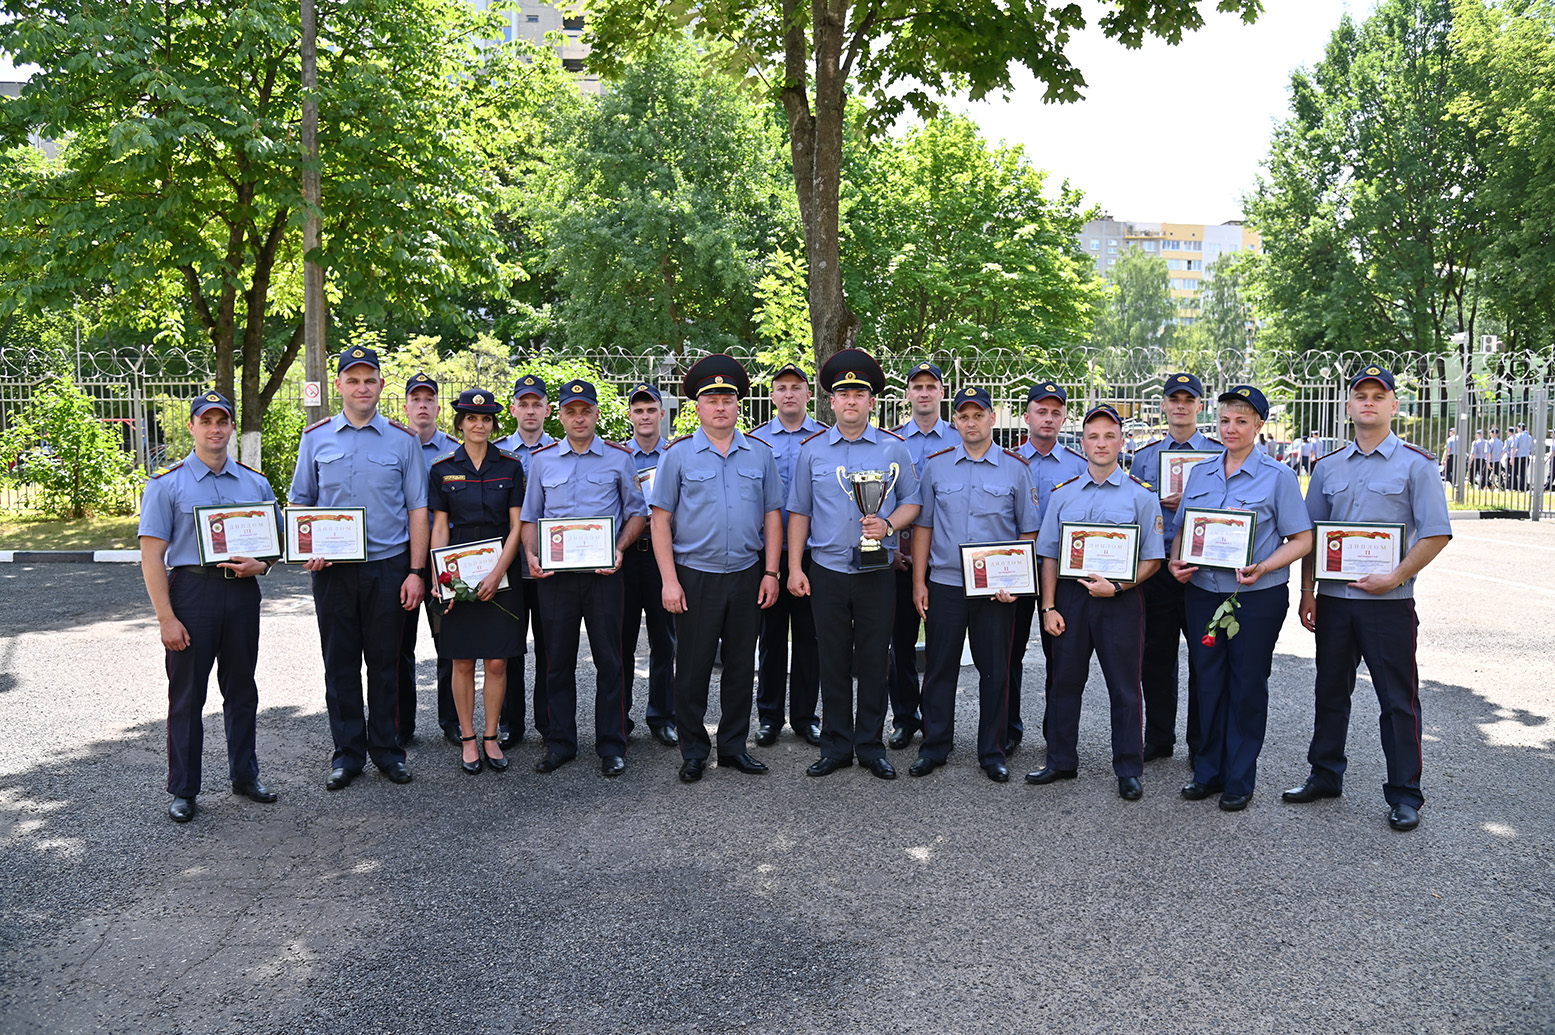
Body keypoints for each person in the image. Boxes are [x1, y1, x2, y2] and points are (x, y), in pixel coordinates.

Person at [1285, 366, 1452, 832]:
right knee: (1330, 691)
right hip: (1335, 600)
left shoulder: (1417, 465)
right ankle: (1324, 774)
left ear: (1393, 405)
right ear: (1348, 405)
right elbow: (1310, 537)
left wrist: (1396, 575)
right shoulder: (1327, 468)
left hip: (1388, 604)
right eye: (1361, 395)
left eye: (1379, 396)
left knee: (1397, 699)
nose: (1369, 403)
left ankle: (1405, 794)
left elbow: (1437, 533)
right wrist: (1307, 591)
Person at [291, 345, 428, 790]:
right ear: (339, 386)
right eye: (353, 380)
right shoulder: (315, 438)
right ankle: (347, 754)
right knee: (341, 664)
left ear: (381, 386)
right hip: (332, 571)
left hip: (388, 567)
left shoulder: (402, 441)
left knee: (386, 663)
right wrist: (305, 546)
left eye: (369, 380)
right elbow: (301, 503)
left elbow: (418, 511)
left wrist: (415, 571)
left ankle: (388, 751)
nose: (362, 387)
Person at [139, 391, 280, 823]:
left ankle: (245, 775)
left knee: (242, 690)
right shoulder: (167, 483)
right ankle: (184, 789)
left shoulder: (255, 482)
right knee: (186, 697)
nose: (215, 429)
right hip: (192, 595)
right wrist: (166, 618)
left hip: (240, 596)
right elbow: (151, 555)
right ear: (192, 427)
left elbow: (275, 543)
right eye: (207, 421)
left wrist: (264, 564)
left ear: (232, 427)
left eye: (223, 421)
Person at [1171, 385, 1313, 811]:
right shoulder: (1201, 473)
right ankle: (1208, 771)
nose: (1231, 429)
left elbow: (1302, 539)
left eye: (1242, 421)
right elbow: (1184, 527)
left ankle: (1239, 777)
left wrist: (1265, 566)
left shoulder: (1278, 477)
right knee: (1208, 682)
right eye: (1225, 421)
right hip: (1202, 595)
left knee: (1246, 686)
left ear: (1259, 426)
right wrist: (1177, 560)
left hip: (1256, 598)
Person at [787, 348, 921, 779]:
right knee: (832, 660)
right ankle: (836, 746)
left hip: (876, 570)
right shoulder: (812, 452)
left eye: (858, 393)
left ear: (871, 402)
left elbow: (914, 502)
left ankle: (870, 745)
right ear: (830, 401)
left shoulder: (893, 449)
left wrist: (888, 523)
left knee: (872, 660)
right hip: (826, 570)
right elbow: (799, 512)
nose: (850, 400)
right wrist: (793, 568)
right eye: (842, 393)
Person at [650, 356, 784, 782]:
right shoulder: (678, 456)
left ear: (739, 405)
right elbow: (659, 520)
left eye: (727, 399)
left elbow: (773, 516)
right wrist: (669, 580)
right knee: (691, 667)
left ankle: (732, 747)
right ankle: (694, 750)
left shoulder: (760, 455)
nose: (720, 406)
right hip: (695, 575)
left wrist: (772, 573)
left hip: (747, 573)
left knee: (742, 666)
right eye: (711, 400)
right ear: (698, 407)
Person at [1026, 404, 1164, 801]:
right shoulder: (1063, 495)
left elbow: (1153, 558)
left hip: (1120, 599)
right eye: (1093, 436)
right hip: (1071, 597)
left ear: (1122, 442)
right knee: (1065, 681)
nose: (1101, 443)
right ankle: (1060, 760)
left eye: (1109, 436)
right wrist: (1049, 606)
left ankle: (1128, 767)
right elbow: (1049, 554)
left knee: (1124, 686)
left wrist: (1119, 587)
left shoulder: (1140, 496)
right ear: (1082, 442)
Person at [520, 380, 649, 777]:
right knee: (556, 661)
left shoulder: (618, 458)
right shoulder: (543, 461)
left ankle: (612, 744)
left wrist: (620, 549)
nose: (579, 418)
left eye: (586, 411)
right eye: (571, 411)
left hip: (603, 575)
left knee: (610, 660)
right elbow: (529, 517)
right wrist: (531, 553)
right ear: (559, 416)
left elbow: (637, 514)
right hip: (556, 578)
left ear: (596, 414)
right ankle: (560, 743)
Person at [909, 386, 1038, 782]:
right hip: (946, 583)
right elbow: (924, 525)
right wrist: (919, 582)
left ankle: (992, 751)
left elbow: (1028, 532)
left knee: (995, 670)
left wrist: (1016, 580)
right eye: (963, 416)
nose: (970, 422)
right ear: (956, 422)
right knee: (939, 668)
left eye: (977, 415)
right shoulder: (937, 465)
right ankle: (935, 746)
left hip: (995, 589)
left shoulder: (1016, 468)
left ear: (991, 418)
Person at [427, 389, 526, 775]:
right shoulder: (442, 468)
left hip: (501, 567)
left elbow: (518, 525)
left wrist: (499, 571)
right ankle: (468, 738)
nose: (479, 425)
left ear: (493, 424)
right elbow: (439, 526)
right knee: (463, 660)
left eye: (485, 420)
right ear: (460, 424)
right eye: (471, 419)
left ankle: (490, 736)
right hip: (458, 568)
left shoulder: (511, 466)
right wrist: (439, 573)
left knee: (498, 661)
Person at [1127, 373, 1221, 766]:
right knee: (1156, 656)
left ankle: (1201, 744)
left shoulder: (1217, 454)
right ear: (1163, 405)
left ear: (1200, 406)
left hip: (1202, 569)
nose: (1180, 405)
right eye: (1173, 399)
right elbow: (1134, 509)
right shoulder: (1146, 457)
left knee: (1205, 658)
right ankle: (1159, 738)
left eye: (1189, 399)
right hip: (1159, 571)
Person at [1006, 382, 1087, 755]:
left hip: (1063, 574)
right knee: (1009, 651)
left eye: (1056, 412)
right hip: (1014, 571)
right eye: (1042, 411)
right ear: (1027, 416)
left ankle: (1056, 731)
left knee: (1061, 654)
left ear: (1064, 418)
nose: (1049, 418)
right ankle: (1007, 728)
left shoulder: (1079, 466)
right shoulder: (1006, 461)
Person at [886, 361, 961, 751]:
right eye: (918, 386)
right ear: (909, 394)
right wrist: (893, 548)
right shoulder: (892, 441)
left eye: (932, 386)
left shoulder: (961, 438)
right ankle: (903, 717)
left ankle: (935, 720)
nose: (925, 393)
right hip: (899, 558)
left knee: (940, 646)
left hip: (944, 562)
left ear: (942, 393)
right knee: (899, 642)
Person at [752, 363, 826, 747]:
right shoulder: (755, 441)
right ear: (772, 396)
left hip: (814, 552)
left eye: (797, 387)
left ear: (808, 395)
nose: (789, 394)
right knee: (771, 635)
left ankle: (804, 716)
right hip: (767, 555)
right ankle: (768, 716)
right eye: (781, 388)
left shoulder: (825, 439)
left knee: (810, 637)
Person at [492, 374, 556, 749]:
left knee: (550, 647)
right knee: (509, 648)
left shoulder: (562, 450)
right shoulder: (498, 452)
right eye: (524, 404)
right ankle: (509, 724)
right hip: (508, 565)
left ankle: (549, 724)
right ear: (513, 409)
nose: (530, 411)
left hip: (550, 567)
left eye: (537, 404)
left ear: (548, 410)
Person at [400, 371, 459, 746]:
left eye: (428, 399)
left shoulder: (456, 449)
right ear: (405, 406)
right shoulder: (392, 444)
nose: (422, 405)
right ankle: (401, 725)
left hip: (442, 558)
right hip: (401, 559)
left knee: (449, 643)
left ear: (437, 406)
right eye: (415, 399)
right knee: (398, 645)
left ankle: (452, 722)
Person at [619, 382, 678, 747]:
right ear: (630, 415)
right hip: (626, 556)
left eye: (650, 409)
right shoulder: (616, 456)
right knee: (621, 641)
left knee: (664, 641)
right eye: (638, 410)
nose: (644, 416)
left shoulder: (675, 454)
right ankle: (620, 716)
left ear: (661, 414)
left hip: (662, 557)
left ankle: (662, 716)